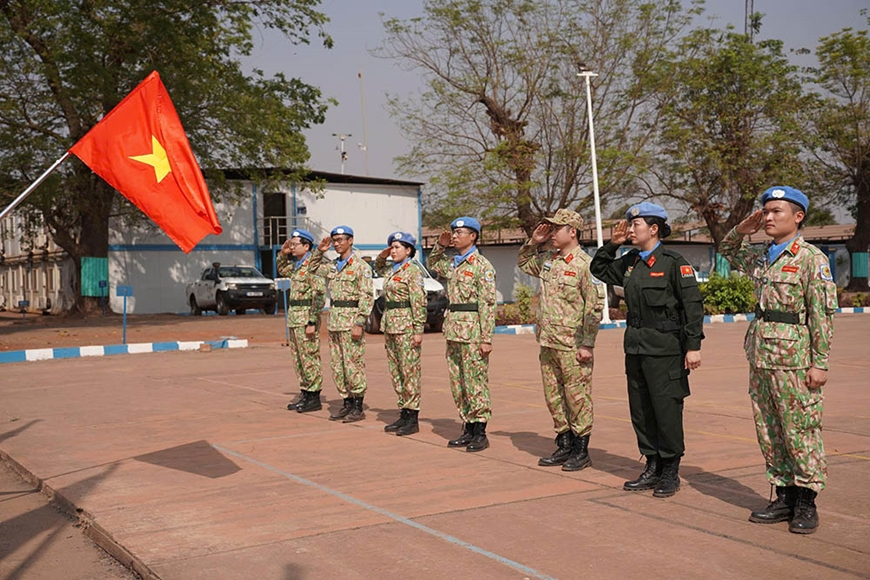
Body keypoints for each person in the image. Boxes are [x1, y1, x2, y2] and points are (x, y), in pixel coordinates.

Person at [718, 186, 836, 534]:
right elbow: (726, 249)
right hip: (761, 356)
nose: (768, 217)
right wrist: (743, 229)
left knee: (800, 429)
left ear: (798, 217)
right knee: (769, 430)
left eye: (776, 212)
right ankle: (783, 494)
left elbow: (822, 314)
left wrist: (821, 362)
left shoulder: (811, 259)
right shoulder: (762, 256)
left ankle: (806, 500)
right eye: (765, 211)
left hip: (795, 359)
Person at [590, 202, 704, 498]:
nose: (629, 229)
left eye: (635, 225)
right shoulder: (630, 262)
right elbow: (599, 269)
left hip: (666, 349)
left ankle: (670, 470)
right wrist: (612, 246)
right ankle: (651, 464)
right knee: (641, 410)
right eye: (629, 225)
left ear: (653, 229)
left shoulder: (673, 262)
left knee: (666, 410)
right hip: (636, 348)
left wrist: (693, 347)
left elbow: (693, 306)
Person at [517, 209, 603, 470]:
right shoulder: (548, 261)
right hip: (548, 342)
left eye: (556, 229)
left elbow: (594, 307)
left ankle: (581, 449)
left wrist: (588, 343)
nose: (552, 233)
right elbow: (523, 263)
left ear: (572, 232)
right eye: (550, 229)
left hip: (573, 345)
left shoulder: (586, 265)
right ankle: (563, 444)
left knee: (577, 398)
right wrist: (534, 241)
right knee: (553, 397)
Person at [428, 217, 497, 452]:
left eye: (460, 232)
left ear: (473, 236)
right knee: (458, 382)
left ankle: (480, 431)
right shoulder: (454, 264)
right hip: (454, 330)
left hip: (473, 333)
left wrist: (486, 338)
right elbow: (433, 262)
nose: (455, 236)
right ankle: (467, 427)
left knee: (475, 381)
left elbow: (487, 305)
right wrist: (440, 245)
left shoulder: (482, 266)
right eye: (453, 233)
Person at [308, 226, 374, 423]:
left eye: (340, 240)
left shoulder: (361, 266)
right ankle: (346, 402)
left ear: (350, 240)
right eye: (334, 240)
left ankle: (358, 406)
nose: (336, 244)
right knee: (338, 366)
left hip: (351, 320)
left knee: (353, 364)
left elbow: (367, 296)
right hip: (335, 320)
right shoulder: (333, 266)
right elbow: (311, 268)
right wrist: (319, 251)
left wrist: (360, 322)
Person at [374, 232, 427, 436]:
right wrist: (383, 254)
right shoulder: (391, 269)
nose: (393, 251)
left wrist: (418, 329)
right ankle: (403, 412)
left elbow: (419, 301)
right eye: (392, 247)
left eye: (397, 247)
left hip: (406, 326)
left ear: (408, 250)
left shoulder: (413, 272)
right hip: (390, 325)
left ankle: (412, 417)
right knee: (396, 372)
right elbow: (377, 267)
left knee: (409, 372)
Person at [276, 229, 326, 413]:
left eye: (295, 244)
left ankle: (314, 396)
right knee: (298, 358)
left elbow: (319, 295)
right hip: (295, 317)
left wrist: (312, 320)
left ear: (306, 246)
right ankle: (305, 392)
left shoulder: (313, 266)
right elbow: (282, 268)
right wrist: (283, 254)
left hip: (306, 317)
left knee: (309, 357)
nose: (292, 247)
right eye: (291, 244)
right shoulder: (296, 266)